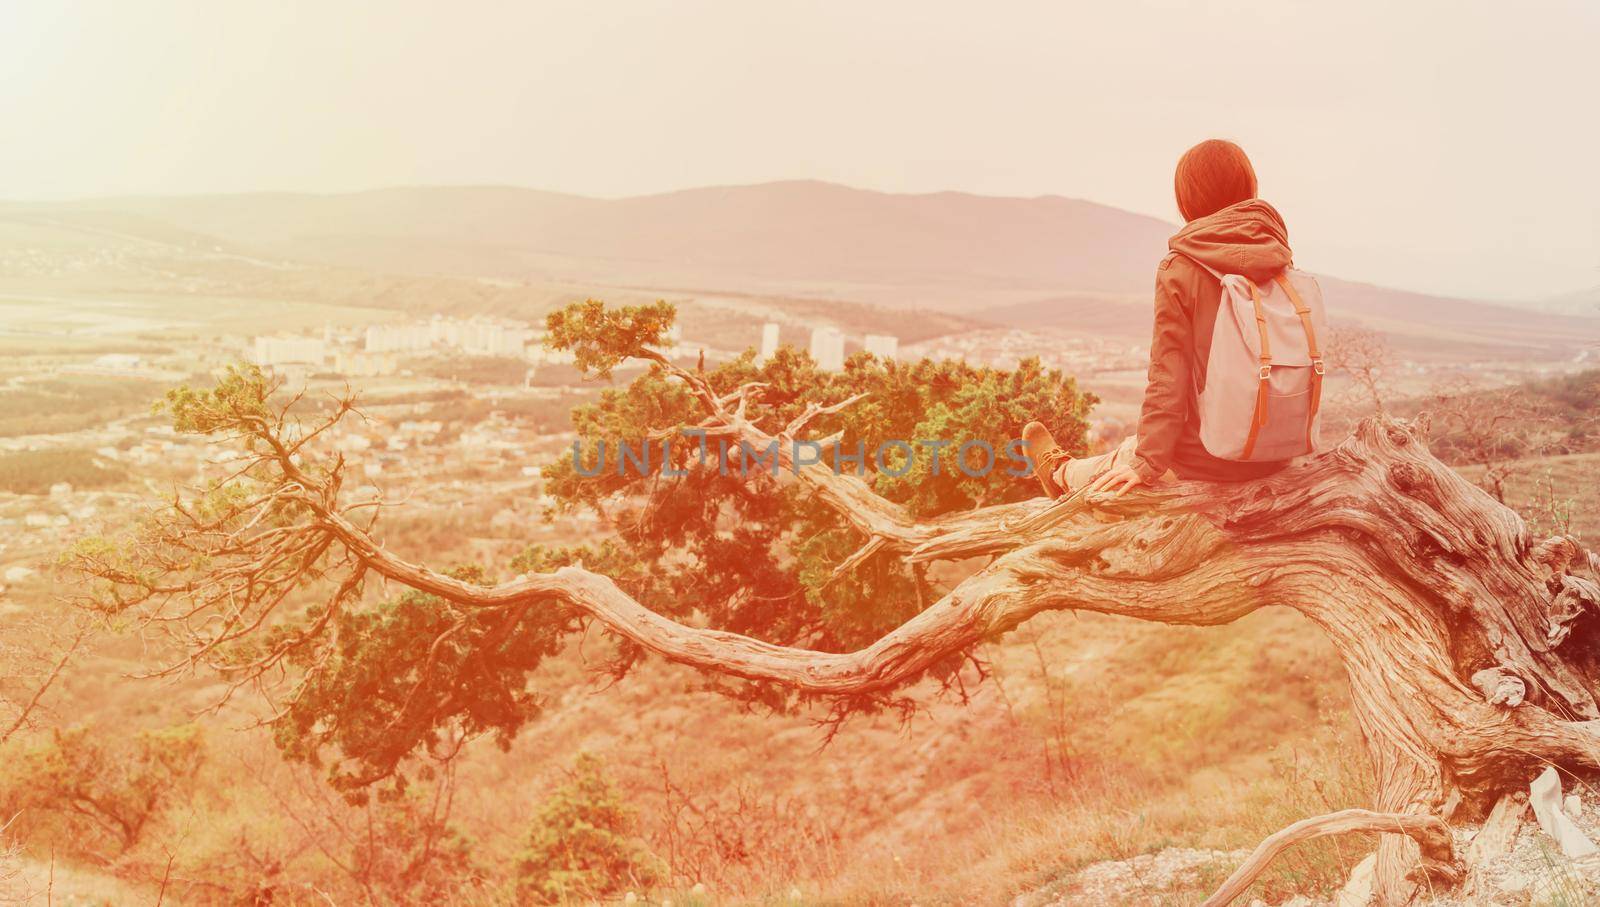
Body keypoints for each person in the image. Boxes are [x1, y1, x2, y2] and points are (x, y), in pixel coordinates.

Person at [1023, 139, 1296, 498]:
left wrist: (1147, 462)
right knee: (1138, 447)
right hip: (1277, 453)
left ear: (1188, 199)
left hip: (1212, 458)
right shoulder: (1279, 259)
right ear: (1250, 187)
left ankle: (1060, 475)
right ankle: (1070, 470)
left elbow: (1169, 377)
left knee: (1127, 455)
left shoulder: (1181, 268)